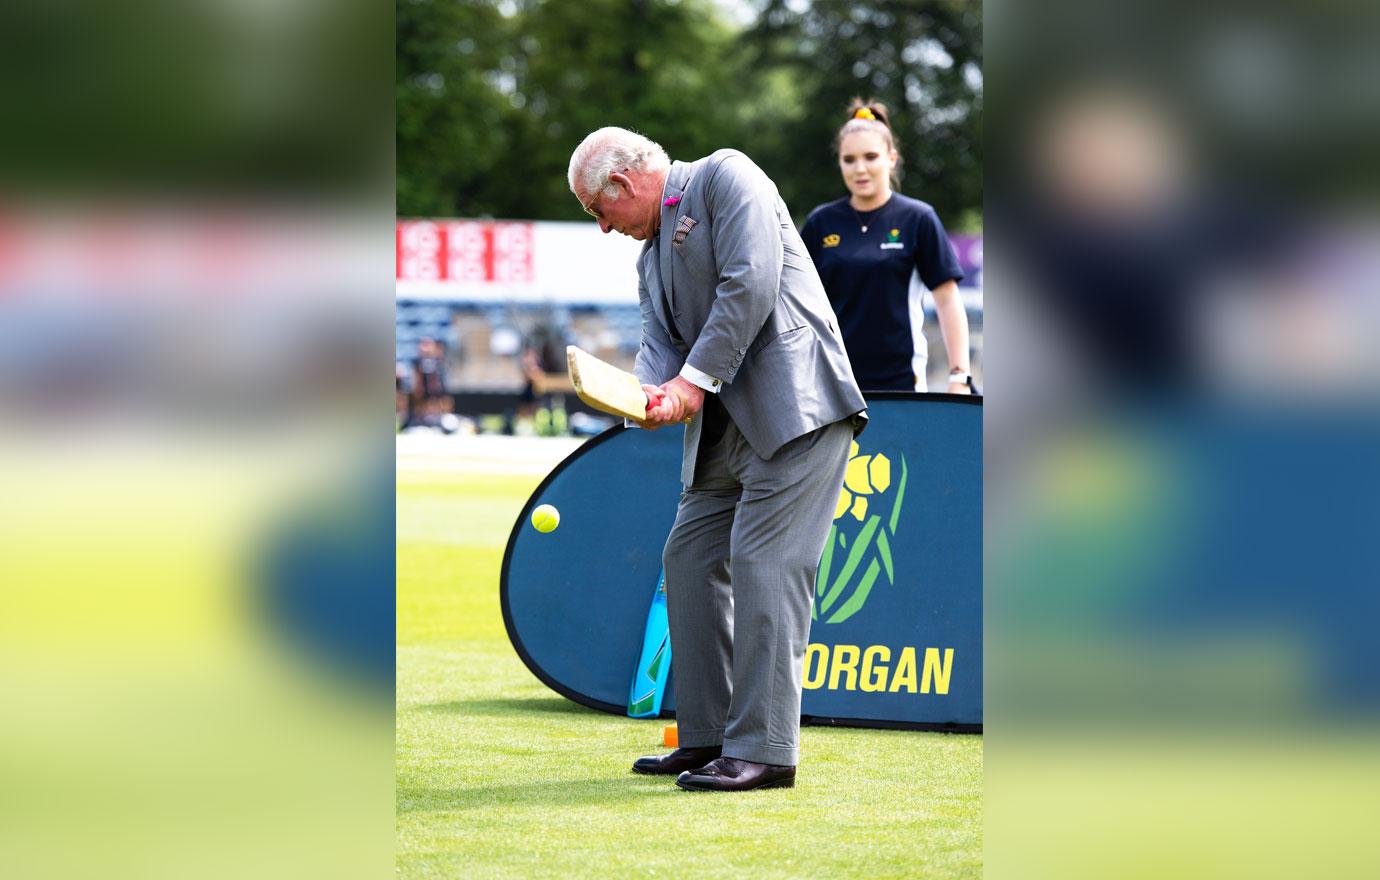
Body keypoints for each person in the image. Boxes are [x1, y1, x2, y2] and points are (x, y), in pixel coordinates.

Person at [568, 127, 867, 792]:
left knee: (766, 565)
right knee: (688, 557)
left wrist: (688, 384)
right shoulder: (649, 259)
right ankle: (705, 737)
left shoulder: (727, 176)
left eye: (597, 210)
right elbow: (658, 346)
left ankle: (766, 751)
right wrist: (646, 394)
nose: (603, 228)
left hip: (797, 412)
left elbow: (750, 283)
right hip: (724, 432)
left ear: (621, 183)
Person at [801, 99, 975, 393]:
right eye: (849, 159)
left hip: (902, 383)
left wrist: (959, 376)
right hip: (831, 385)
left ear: (891, 158)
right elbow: (798, 304)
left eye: (871, 156)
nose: (860, 169)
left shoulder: (918, 218)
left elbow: (947, 300)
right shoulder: (821, 222)